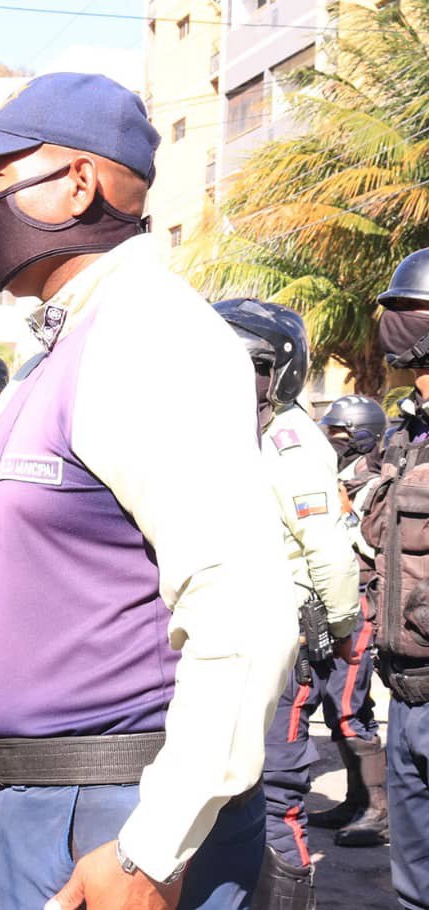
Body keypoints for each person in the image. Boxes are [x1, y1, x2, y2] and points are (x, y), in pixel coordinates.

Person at [0, 72, 299, 910]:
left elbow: (243, 612)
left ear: (77, 184)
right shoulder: (70, 345)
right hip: (53, 804)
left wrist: (153, 850)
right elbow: (45, 588)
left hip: (119, 808)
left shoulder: (150, 336)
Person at [215, 298, 360, 908]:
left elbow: (328, 550)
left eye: (248, 364)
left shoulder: (290, 438)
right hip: (223, 635)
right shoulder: (222, 428)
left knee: (274, 792)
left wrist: (342, 629)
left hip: (283, 640)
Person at [360, 247, 429, 910]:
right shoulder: (406, 435)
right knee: (412, 886)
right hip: (403, 695)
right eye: (396, 310)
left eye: (413, 310)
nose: (398, 323)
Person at [309, 395, 388, 848]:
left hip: (359, 605)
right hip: (329, 604)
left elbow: (377, 549)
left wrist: (347, 512)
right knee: (335, 705)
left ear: (362, 436)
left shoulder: (377, 485)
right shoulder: (331, 476)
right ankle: (356, 799)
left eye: (339, 433)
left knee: (346, 707)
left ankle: (378, 811)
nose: (331, 440)